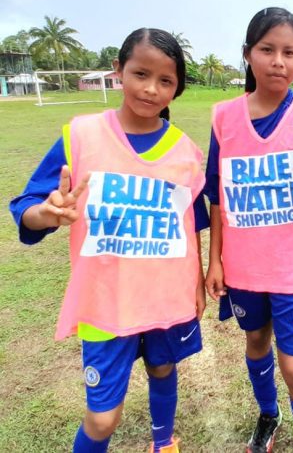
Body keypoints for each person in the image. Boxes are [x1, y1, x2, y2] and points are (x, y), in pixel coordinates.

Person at [10, 28, 209, 453]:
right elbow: (27, 205)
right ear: (119, 71)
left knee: (162, 367)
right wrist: (45, 213)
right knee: (102, 418)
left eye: (166, 81)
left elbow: (190, 226)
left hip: (163, 297)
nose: (151, 89)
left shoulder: (186, 152)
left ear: (177, 89)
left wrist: (196, 283)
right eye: (140, 73)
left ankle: (163, 441)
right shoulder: (80, 135)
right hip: (104, 302)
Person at [204, 7, 293, 453]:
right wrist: (214, 259)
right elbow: (218, 194)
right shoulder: (224, 118)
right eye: (267, 50)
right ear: (248, 55)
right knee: (255, 342)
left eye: (289, 52)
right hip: (245, 269)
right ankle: (268, 414)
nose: (278, 61)